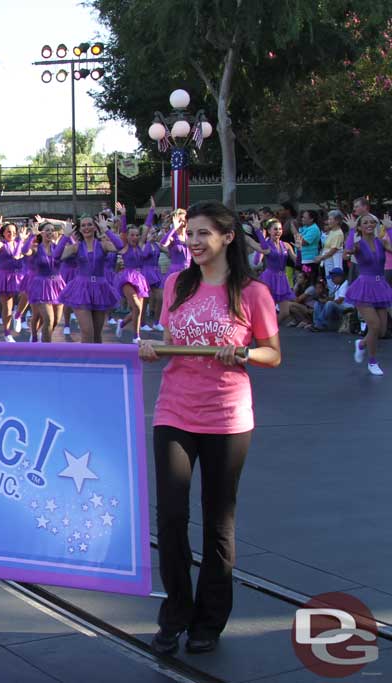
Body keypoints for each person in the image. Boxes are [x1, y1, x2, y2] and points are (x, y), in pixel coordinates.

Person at [138, 201, 280, 655]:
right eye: (190, 234)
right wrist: (153, 348)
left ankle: (209, 622)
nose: (194, 243)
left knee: (219, 522)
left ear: (227, 237)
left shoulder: (252, 292)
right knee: (172, 517)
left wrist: (242, 354)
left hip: (227, 418)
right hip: (174, 412)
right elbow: (172, 343)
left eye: (203, 234)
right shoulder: (176, 283)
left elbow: (272, 353)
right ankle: (175, 614)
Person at [58, 216, 120, 343]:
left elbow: (120, 246)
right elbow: (56, 256)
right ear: (80, 229)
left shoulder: (103, 245)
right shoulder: (76, 247)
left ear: (95, 227)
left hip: (100, 288)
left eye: (89, 224)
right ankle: (85, 361)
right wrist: (65, 236)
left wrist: (106, 230)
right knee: (87, 332)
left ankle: (96, 362)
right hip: (82, 288)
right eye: (83, 225)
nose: (86, 228)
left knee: (97, 334)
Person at [344, 213, 392, 376]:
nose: (370, 224)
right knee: (374, 326)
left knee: (382, 331)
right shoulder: (358, 244)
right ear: (360, 226)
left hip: (380, 287)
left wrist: (390, 229)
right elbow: (348, 250)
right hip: (364, 287)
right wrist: (351, 231)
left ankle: (362, 344)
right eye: (365, 222)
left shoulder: (382, 242)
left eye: (373, 222)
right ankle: (372, 362)